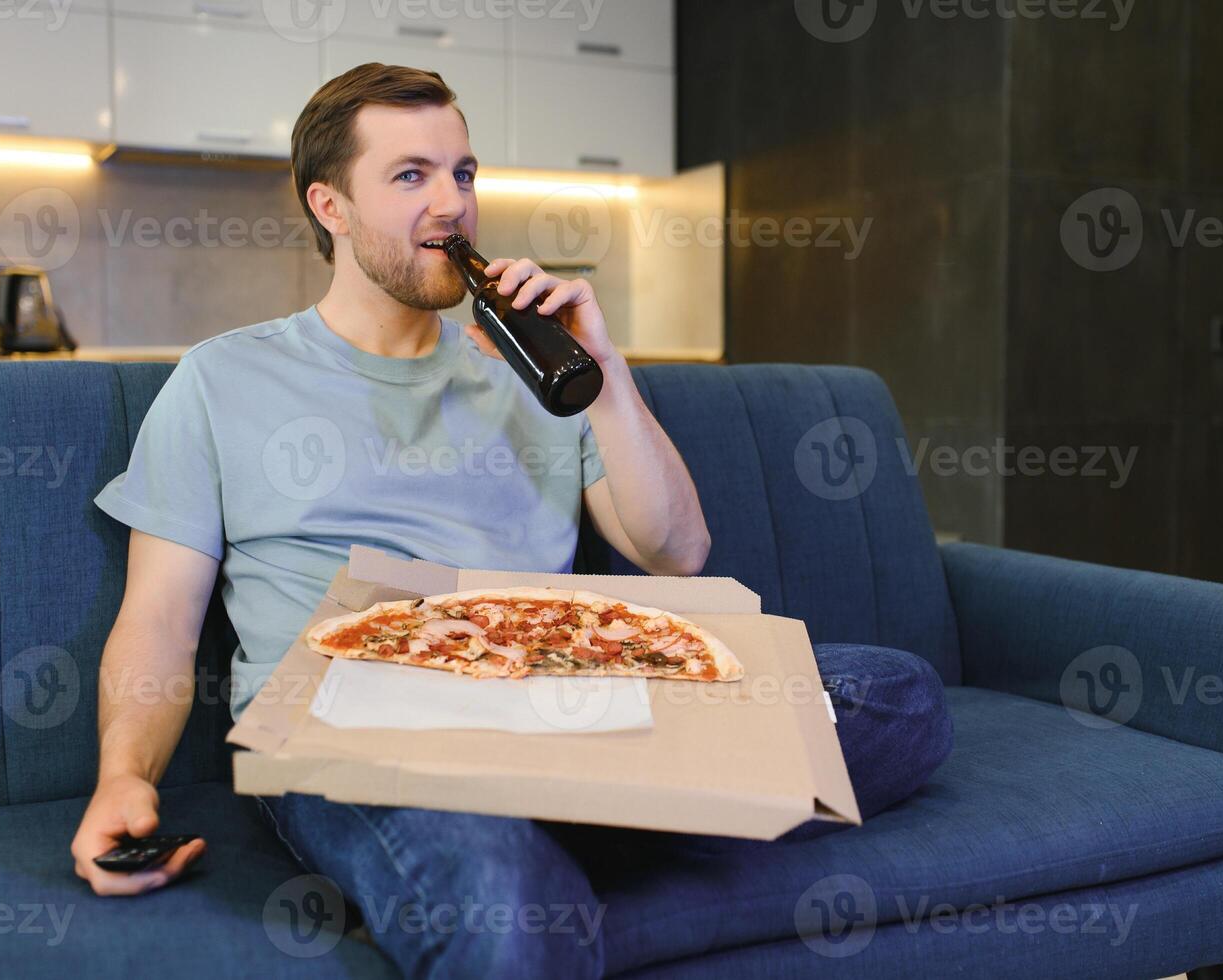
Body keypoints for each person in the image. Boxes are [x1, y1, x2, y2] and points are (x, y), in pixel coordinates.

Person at [69, 63, 952, 976]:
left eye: (463, 173)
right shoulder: (222, 380)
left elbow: (676, 552)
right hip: (349, 727)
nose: (452, 204)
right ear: (329, 206)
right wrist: (123, 780)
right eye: (410, 175)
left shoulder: (534, 370)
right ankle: (564, 848)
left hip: (555, 704)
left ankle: (525, 844)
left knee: (896, 695)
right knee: (499, 896)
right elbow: (160, 624)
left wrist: (598, 366)